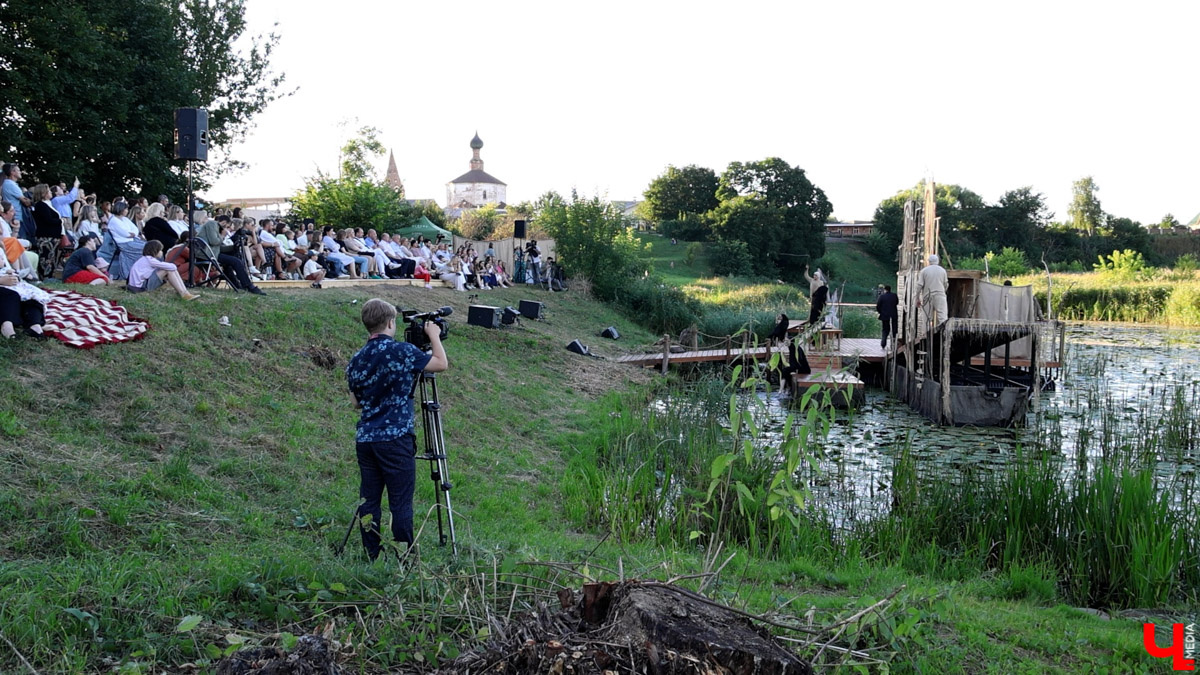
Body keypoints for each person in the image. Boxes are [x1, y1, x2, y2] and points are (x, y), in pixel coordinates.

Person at [346, 299, 448, 560]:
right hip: (395, 438)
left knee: (369, 500)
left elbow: (356, 402)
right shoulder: (401, 351)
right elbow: (440, 363)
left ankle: (372, 553)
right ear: (391, 322)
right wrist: (434, 335)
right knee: (400, 501)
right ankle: (405, 553)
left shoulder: (357, 358)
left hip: (366, 439)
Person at [126, 240, 200, 301]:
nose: (162, 252)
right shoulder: (150, 260)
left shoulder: (145, 259)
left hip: (139, 284)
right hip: (141, 286)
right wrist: (170, 267)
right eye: (160, 250)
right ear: (155, 251)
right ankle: (183, 293)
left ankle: (184, 292)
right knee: (168, 270)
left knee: (169, 269)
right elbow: (172, 267)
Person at [0, 260, 50, 339]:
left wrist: (14, 276)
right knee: (10, 295)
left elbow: (8, 267)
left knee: (32, 297)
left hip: (12, 285)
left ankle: (35, 326)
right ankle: (7, 326)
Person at [915, 254, 949, 331]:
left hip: (928, 296)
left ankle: (926, 335)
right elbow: (946, 284)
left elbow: (919, 285)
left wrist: (917, 298)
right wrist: (943, 292)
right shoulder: (943, 271)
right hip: (940, 295)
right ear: (938, 261)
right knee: (943, 317)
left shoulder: (924, 271)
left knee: (927, 318)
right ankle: (944, 334)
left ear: (929, 261)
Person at [876, 284, 899, 349]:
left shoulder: (882, 296)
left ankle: (883, 343)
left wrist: (881, 312)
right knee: (894, 329)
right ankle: (894, 343)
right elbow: (897, 303)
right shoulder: (894, 295)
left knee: (885, 329)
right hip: (893, 314)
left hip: (885, 315)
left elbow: (878, 306)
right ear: (890, 289)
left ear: (885, 290)